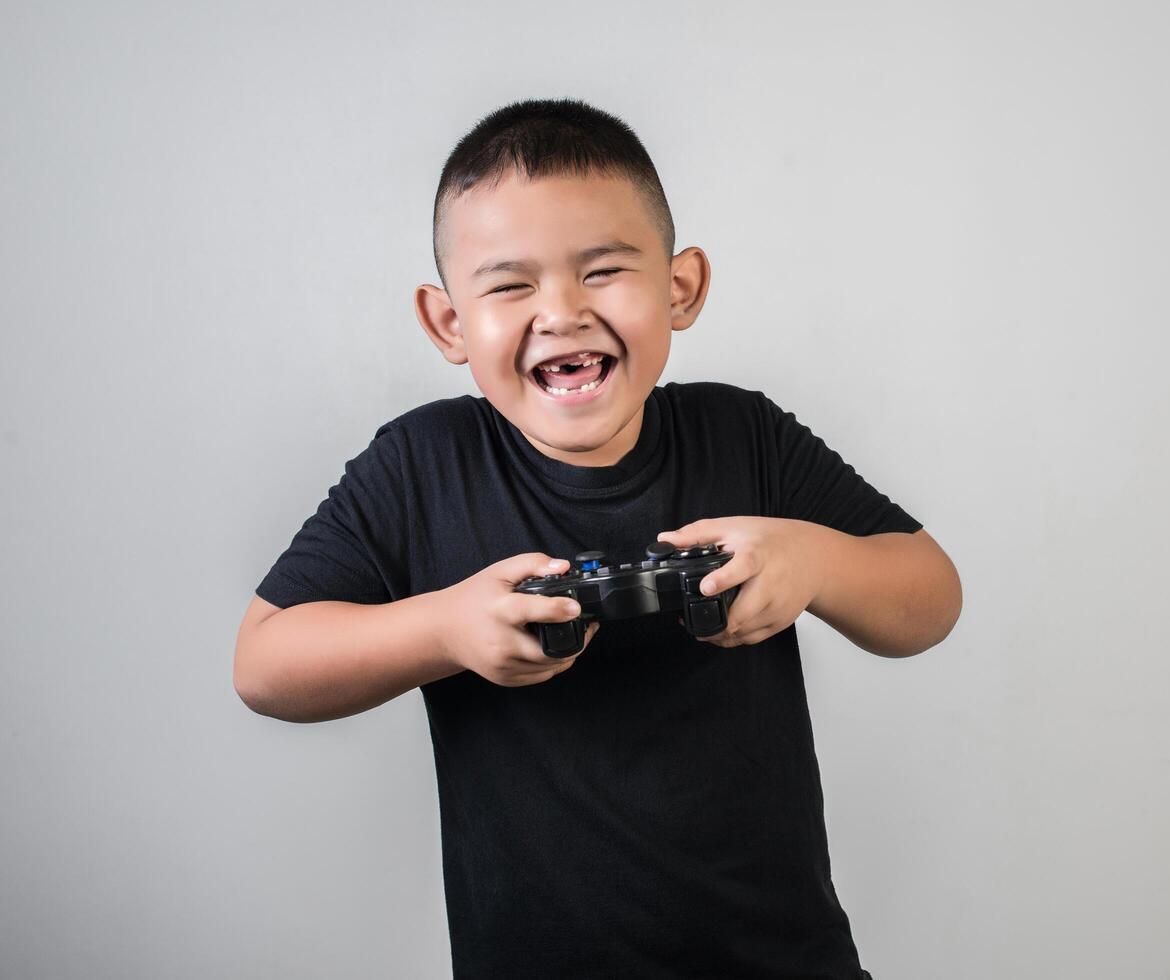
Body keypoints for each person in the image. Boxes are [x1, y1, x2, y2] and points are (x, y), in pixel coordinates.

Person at [233, 97, 962, 979]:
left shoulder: (745, 435)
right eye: (509, 285)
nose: (562, 312)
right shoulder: (421, 465)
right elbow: (265, 665)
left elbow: (929, 598)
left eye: (604, 270)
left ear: (679, 287)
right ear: (448, 323)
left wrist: (815, 559)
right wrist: (445, 631)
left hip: (782, 957)